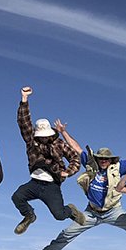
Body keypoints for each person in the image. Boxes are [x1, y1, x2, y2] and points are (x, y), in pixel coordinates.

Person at [26, 120, 126, 250]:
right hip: (92, 212)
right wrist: (63, 132)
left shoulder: (118, 168)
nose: (103, 161)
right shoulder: (91, 165)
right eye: (101, 158)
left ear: (110, 160)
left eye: (106, 159)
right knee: (68, 232)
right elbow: (76, 148)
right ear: (97, 158)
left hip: (114, 211)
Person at [11, 86, 83, 234]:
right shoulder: (31, 141)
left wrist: (67, 172)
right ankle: (29, 216)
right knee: (17, 197)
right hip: (34, 183)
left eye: (46, 136)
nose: (43, 138)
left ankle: (70, 210)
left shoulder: (58, 143)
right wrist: (24, 99)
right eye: (41, 136)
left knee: (59, 215)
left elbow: (75, 157)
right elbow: (23, 122)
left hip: (51, 186)